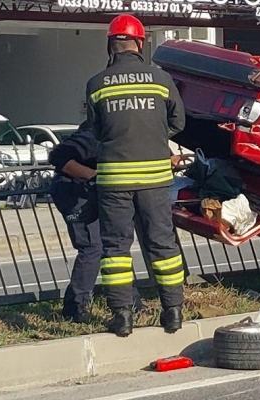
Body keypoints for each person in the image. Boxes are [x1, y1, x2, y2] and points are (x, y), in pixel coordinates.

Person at [85, 14, 186, 337]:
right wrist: (153, 135)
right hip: (155, 178)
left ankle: (122, 317)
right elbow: (178, 122)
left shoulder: (97, 84)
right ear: (140, 44)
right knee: (162, 244)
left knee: (115, 249)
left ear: (110, 45)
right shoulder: (161, 79)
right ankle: (173, 312)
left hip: (114, 180)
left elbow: (96, 131)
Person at [48, 121, 144, 323]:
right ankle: (74, 308)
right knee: (92, 247)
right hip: (73, 192)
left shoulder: (120, 136)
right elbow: (57, 156)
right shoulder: (96, 134)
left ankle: (131, 302)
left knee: (115, 247)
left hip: (94, 193)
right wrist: (93, 175)